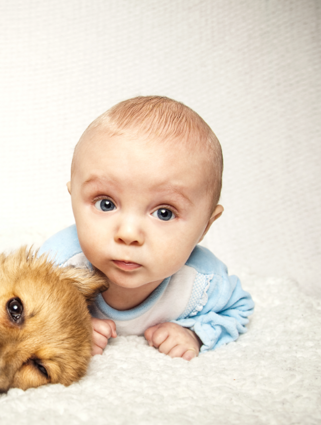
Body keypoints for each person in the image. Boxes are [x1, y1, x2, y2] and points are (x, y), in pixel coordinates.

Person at [40, 96, 254, 360]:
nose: (128, 234)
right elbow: (22, 315)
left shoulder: (202, 281)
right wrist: (71, 326)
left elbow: (238, 309)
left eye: (164, 213)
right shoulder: (58, 267)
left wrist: (195, 333)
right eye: (106, 204)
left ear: (206, 226)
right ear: (73, 199)